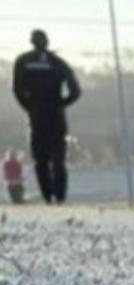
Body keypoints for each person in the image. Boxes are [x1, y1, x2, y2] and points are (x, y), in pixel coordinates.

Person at [12, 30, 81, 205]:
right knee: (58, 159)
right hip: (56, 115)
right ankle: (60, 195)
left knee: (40, 160)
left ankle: (48, 195)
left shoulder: (23, 62)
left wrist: (30, 107)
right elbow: (76, 90)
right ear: (47, 42)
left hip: (36, 116)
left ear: (32, 42)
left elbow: (17, 90)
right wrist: (61, 103)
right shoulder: (58, 62)